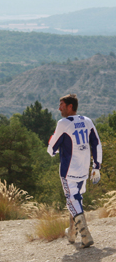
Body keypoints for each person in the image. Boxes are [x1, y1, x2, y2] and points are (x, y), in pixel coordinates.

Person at [47, 94, 102, 248]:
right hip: (84, 169)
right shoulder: (87, 121)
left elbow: (51, 148)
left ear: (70, 106)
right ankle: (72, 233)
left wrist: (53, 151)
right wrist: (96, 167)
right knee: (76, 199)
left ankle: (85, 235)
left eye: (62, 105)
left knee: (72, 199)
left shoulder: (63, 123)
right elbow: (96, 144)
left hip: (68, 169)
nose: (59, 108)